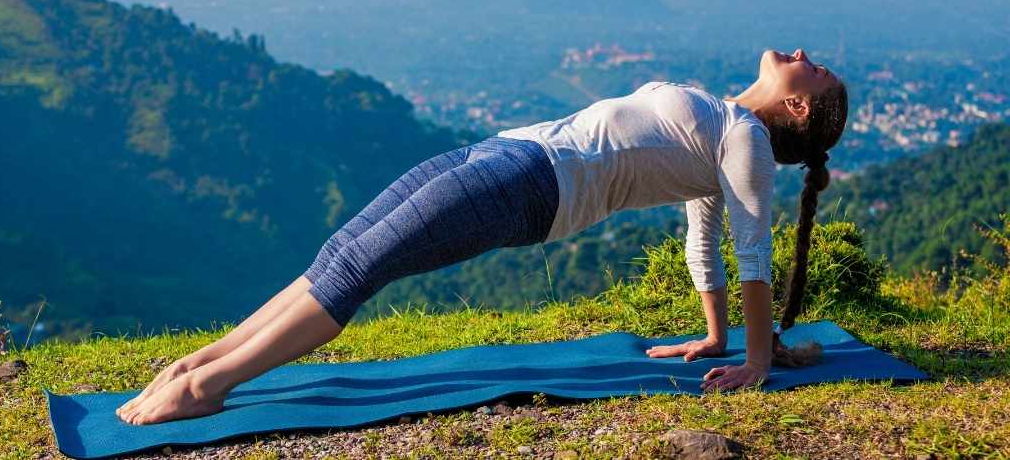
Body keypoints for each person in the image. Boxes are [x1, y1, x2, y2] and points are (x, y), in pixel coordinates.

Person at [116, 47, 848, 425]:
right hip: (503, 151)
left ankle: (210, 389)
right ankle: (195, 364)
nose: (804, 54)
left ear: (797, 105)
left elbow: (749, 251)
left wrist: (756, 361)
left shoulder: (746, 140)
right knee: (338, 253)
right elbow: (704, 229)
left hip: (528, 190)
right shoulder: (726, 121)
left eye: (814, 72)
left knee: (358, 271)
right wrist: (715, 337)